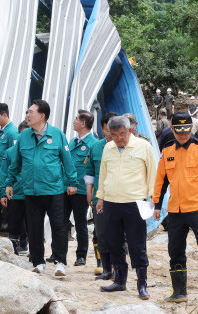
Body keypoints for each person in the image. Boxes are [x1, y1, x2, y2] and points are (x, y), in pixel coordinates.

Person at [153, 112, 198, 305]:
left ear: (191, 128)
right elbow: (160, 180)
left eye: (186, 131)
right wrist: (157, 204)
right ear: (173, 130)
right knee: (175, 250)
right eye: (178, 131)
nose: (183, 135)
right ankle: (178, 292)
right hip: (175, 211)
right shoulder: (167, 150)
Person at [6, 99, 78, 276]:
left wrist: (73, 182)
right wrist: (9, 182)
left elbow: (67, 161)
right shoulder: (23, 136)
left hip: (53, 190)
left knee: (58, 227)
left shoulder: (57, 134)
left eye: (31, 112)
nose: (27, 115)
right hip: (30, 191)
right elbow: (16, 162)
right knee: (34, 228)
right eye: (27, 112)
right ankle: (38, 262)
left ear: (42, 115)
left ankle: (60, 262)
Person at [96, 116, 156, 300]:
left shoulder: (143, 146)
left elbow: (153, 171)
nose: (119, 139)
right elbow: (103, 173)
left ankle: (142, 284)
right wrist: (101, 197)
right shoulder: (108, 147)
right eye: (114, 135)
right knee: (114, 243)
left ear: (129, 130)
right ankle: (120, 281)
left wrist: (154, 196)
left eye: (122, 134)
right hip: (112, 202)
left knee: (137, 245)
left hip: (135, 203)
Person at [84, 112, 118, 279]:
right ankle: (106, 268)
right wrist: (89, 191)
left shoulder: (126, 147)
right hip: (99, 198)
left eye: (114, 130)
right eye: (107, 131)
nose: (111, 135)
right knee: (101, 233)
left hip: (120, 198)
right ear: (102, 129)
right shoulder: (96, 147)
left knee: (119, 235)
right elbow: (90, 171)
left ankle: (118, 267)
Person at [65, 110, 98, 266]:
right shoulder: (72, 142)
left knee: (80, 223)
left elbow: (91, 171)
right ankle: (58, 253)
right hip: (66, 189)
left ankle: (81, 255)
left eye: (76, 119)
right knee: (60, 222)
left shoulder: (93, 144)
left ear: (83, 123)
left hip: (81, 191)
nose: (73, 121)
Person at [0, 121, 30, 254]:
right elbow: (4, 173)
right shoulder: (10, 152)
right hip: (15, 193)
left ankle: (25, 245)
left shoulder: (35, 151)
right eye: (22, 134)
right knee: (14, 221)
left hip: (32, 193)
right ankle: (14, 248)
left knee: (31, 222)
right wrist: (3, 193)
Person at [0, 103, 19, 235]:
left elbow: (13, 160)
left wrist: (8, 184)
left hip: (6, 181)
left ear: (4, 115)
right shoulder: (0, 133)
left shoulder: (12, 133)